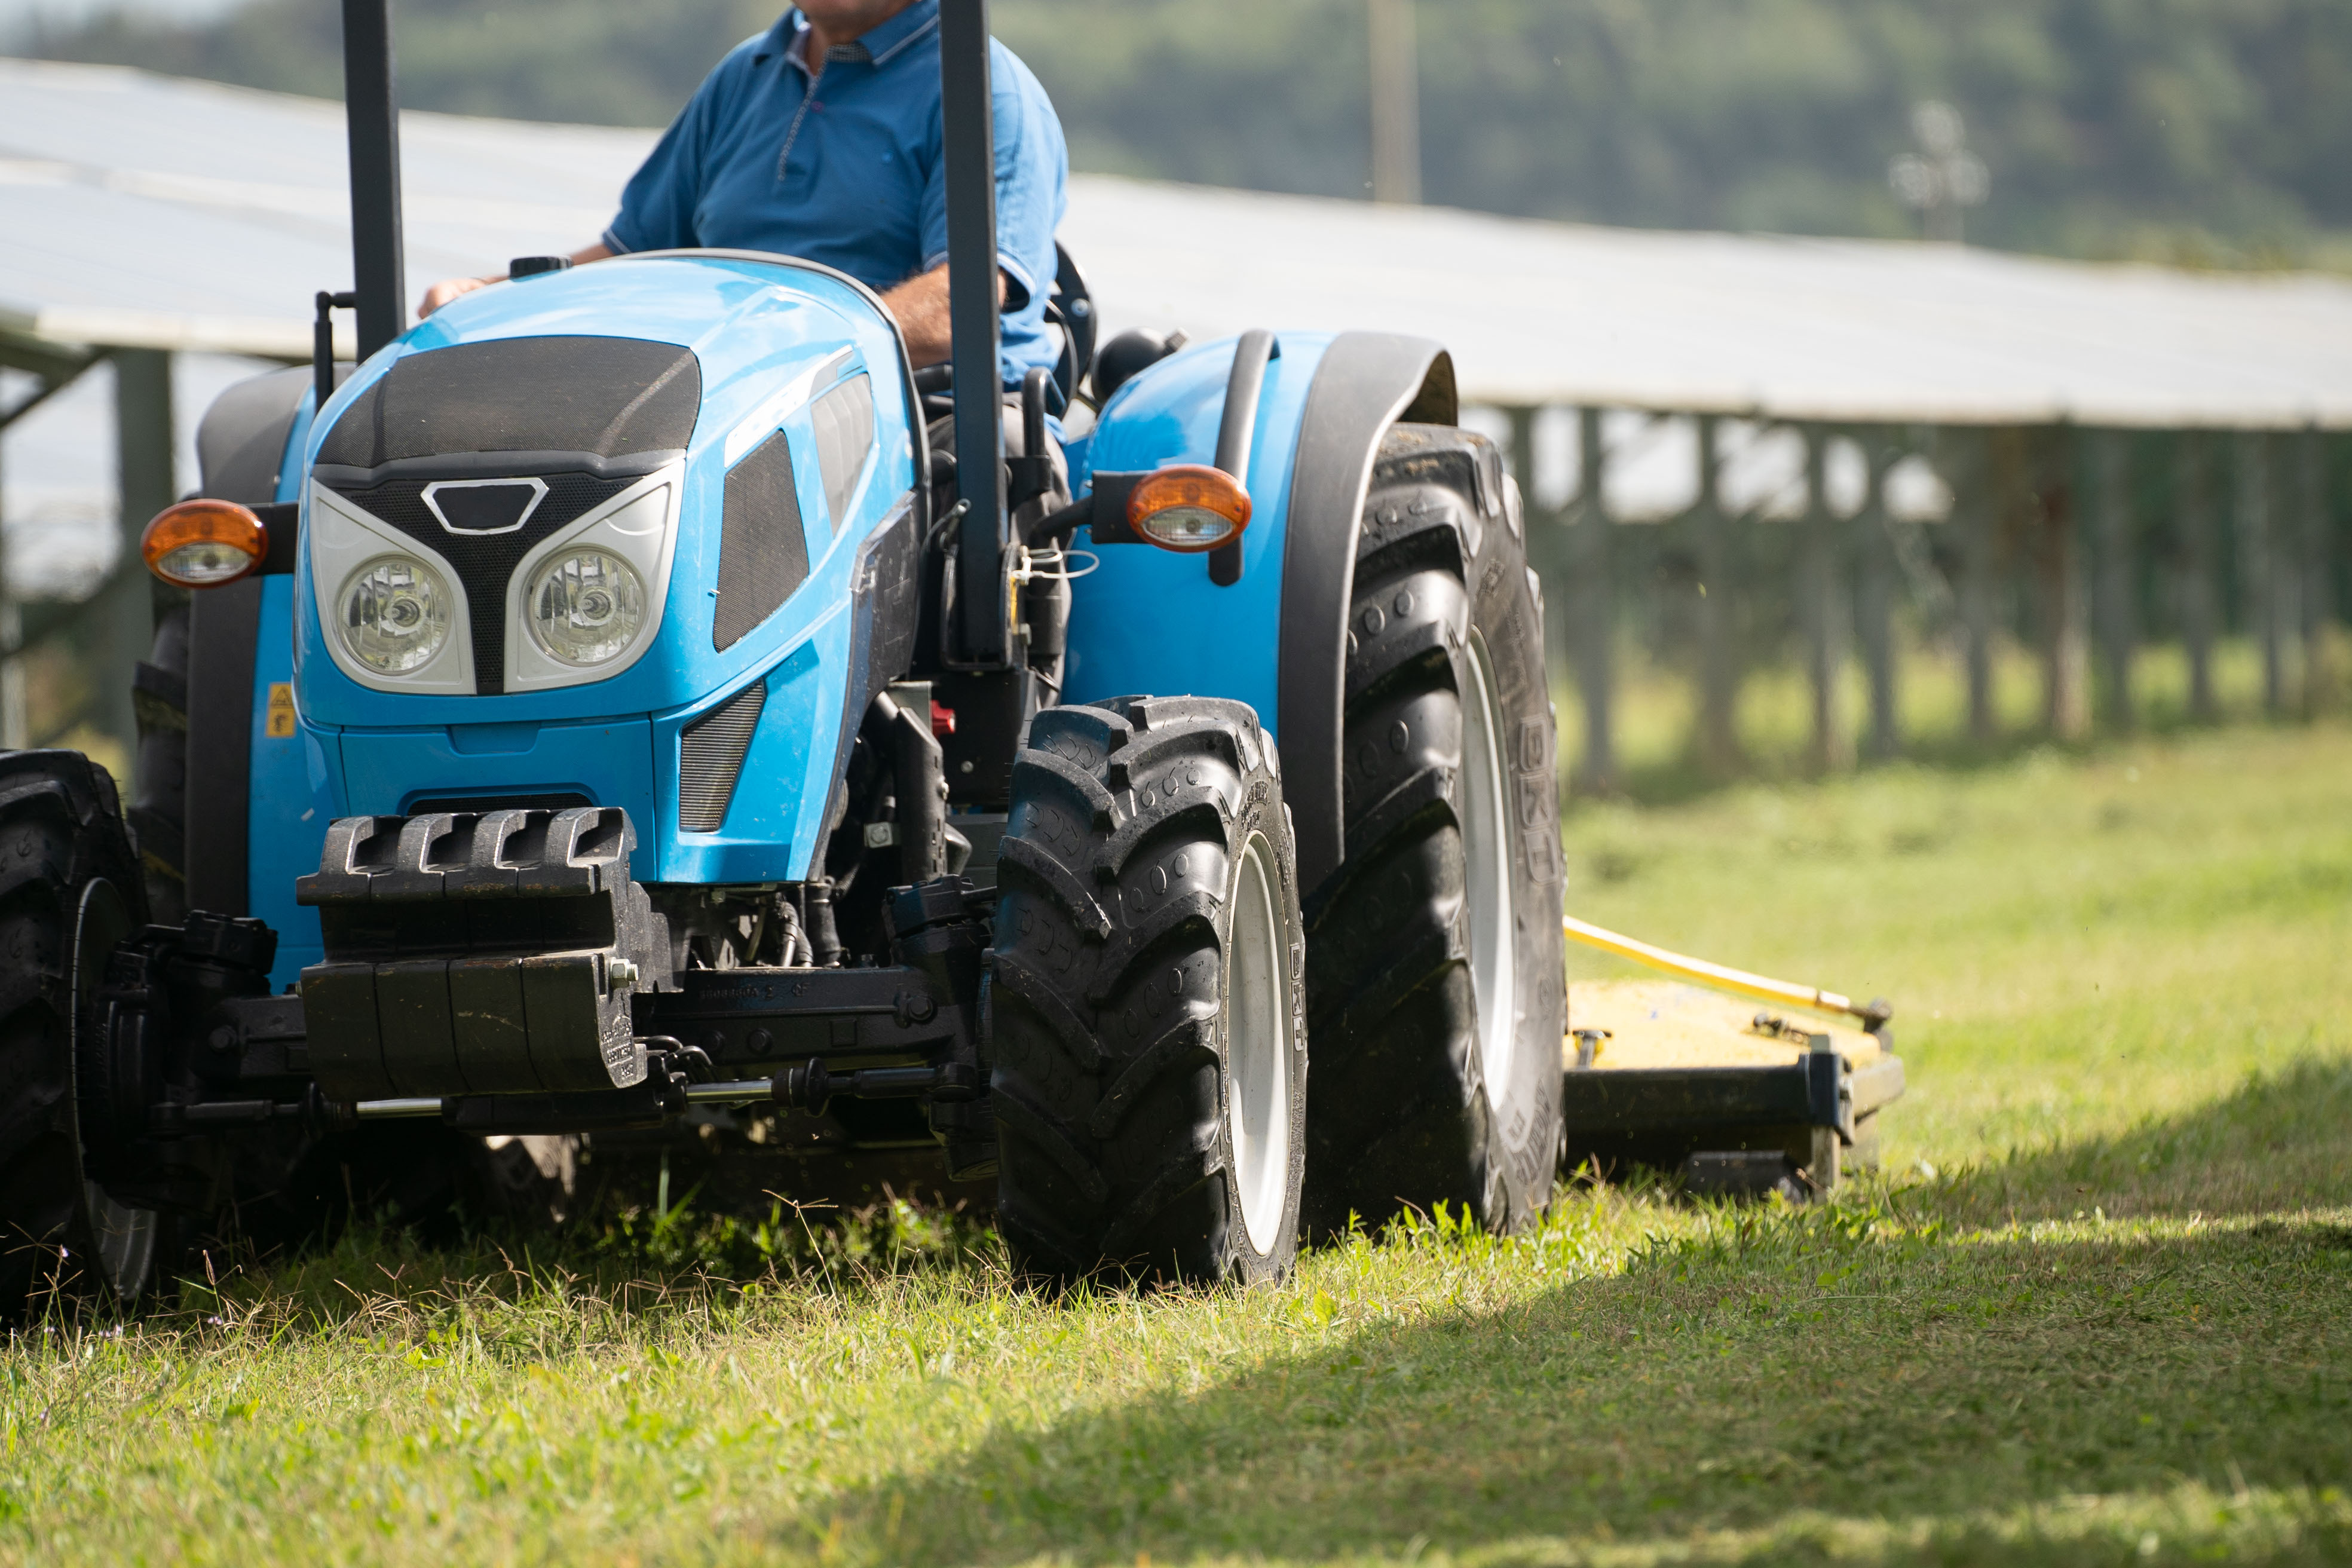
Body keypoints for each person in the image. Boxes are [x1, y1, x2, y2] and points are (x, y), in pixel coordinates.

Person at [418, 0, 1067, 387]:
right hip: (734, 394)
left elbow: (959, 306)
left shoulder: (983, 89)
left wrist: (794, 346)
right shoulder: (745, 75)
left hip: (919, 407)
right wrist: (493, 302)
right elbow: (636, 253)